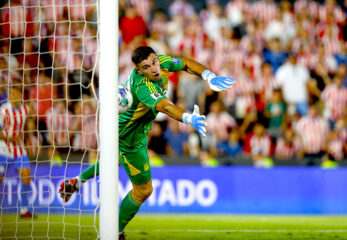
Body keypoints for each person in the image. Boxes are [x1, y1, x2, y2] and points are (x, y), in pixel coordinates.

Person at [58, 46, 235, 239]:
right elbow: (164, 106)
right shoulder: (143, 86)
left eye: (154, 62)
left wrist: (208, 76)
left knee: (114, 159)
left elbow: (185, 63)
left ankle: (77, 181)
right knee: (144, 190)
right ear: (138, 70)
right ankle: (114, 232)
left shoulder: (161, 62)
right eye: (146, 67)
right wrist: (187, 118)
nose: (154, 69)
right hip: (129, 138)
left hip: (131, 131)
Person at [0, 87, 35, 218]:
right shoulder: (4, 110)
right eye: (15, 93)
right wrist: (10, 138)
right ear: (10, 95)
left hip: (19, 149)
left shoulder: (25, 109)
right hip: (4, 148)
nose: (17, 96)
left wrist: (30, 137)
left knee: (26, 176)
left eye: (20, 93)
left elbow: (30, 120)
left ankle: (24, 210)